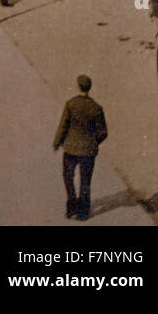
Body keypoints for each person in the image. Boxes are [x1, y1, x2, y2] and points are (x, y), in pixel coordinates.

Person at [53, 75, 108, 221]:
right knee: (85, 181)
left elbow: (63, 126)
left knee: (68, 177)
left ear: (78, 86)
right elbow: (103, 132)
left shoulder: (71, 104)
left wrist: (57, 142)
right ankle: (83, 213)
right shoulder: (96, 108)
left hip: (70, 149)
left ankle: (71, 208)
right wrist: (93, 142)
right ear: (89, 89)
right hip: (88, 151)